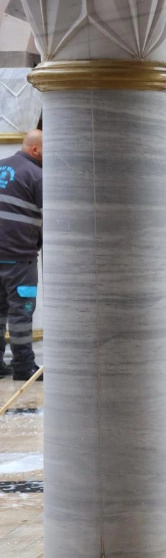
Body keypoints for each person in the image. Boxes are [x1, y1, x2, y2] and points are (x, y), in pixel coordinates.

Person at [0, 130, 43, 381]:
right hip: (20, 258)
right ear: (35, 150)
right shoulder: (37, 175)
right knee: (21, 311)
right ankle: (23, 366)